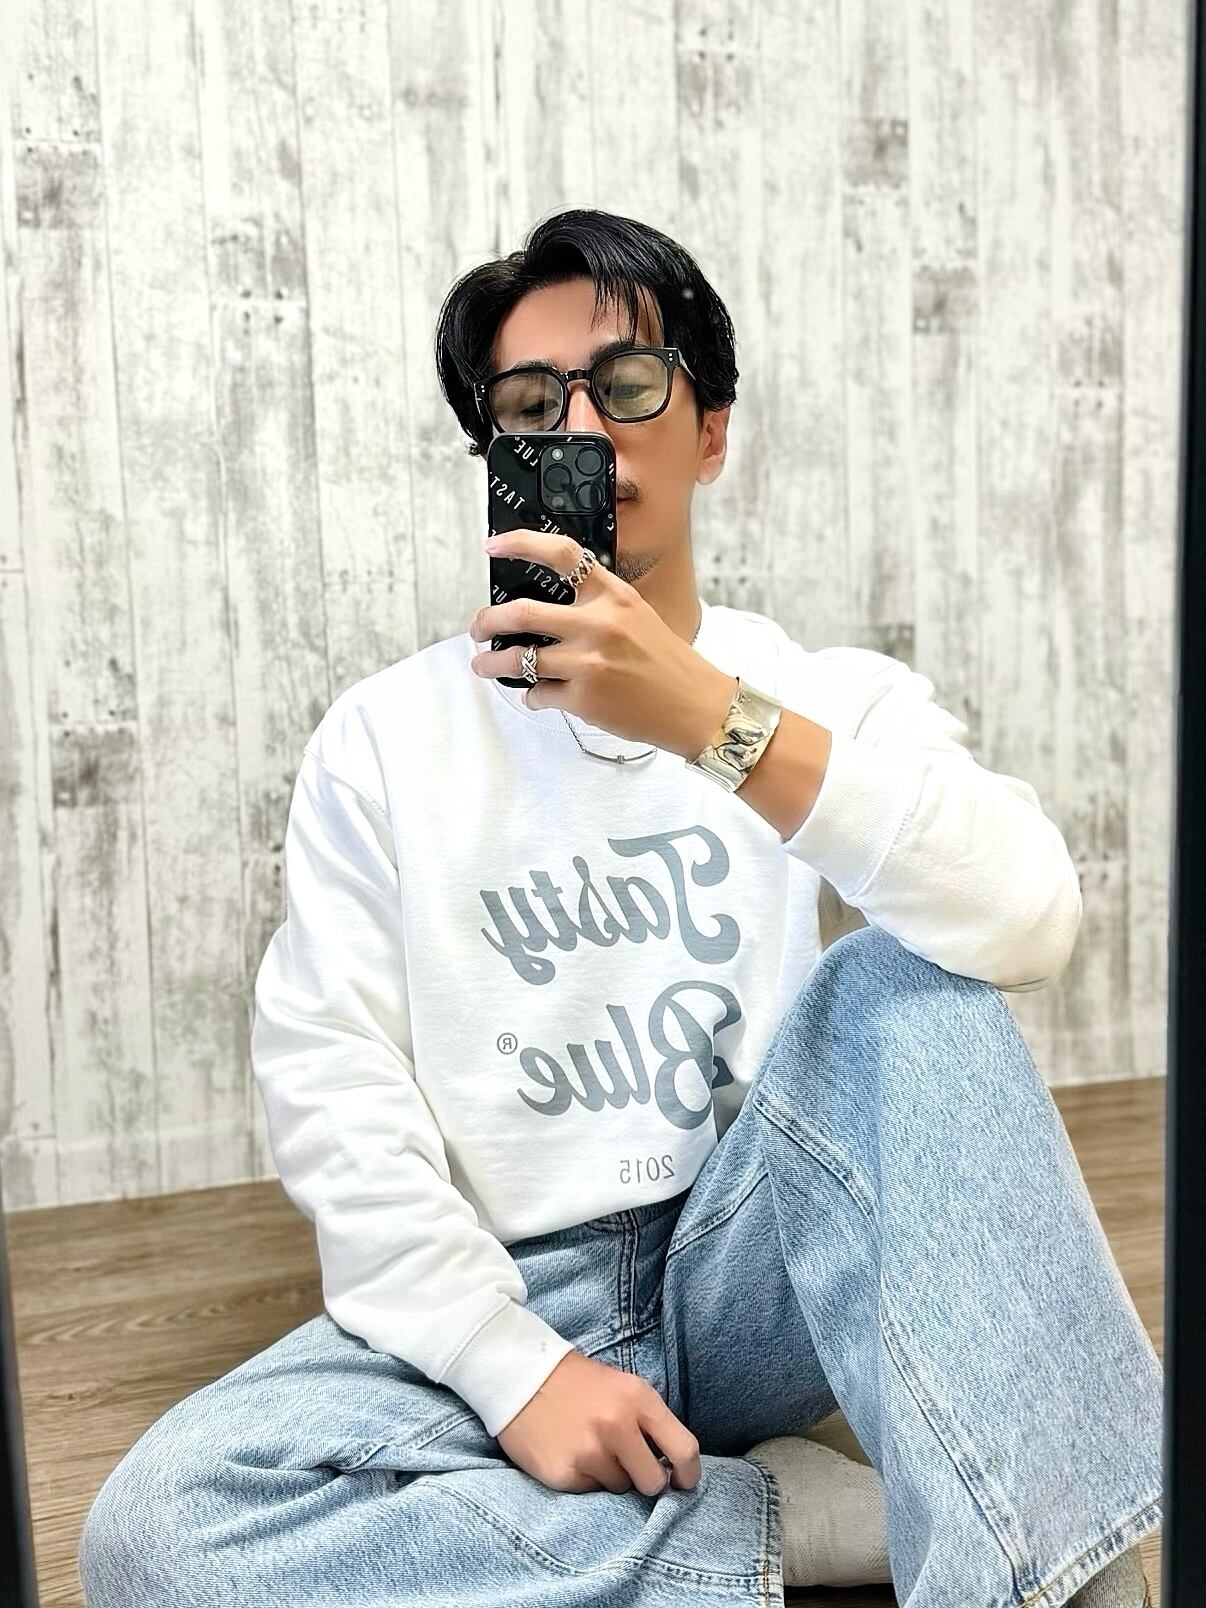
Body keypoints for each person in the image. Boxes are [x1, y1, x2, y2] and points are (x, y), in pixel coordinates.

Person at [77, 208, 1161, 1608]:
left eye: (627, 383)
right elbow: (334, 1081)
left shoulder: (819, 697)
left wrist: (705, 718)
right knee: (164, 1533)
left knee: (905, 986)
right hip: (512, 1281)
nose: (582, 427)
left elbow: (1026, 918)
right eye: (535, 404)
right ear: (496, 455)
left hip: (757, 1258)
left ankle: (1039, 1569)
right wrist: (514, 1371)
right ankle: (813, 1524)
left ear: (710, 432)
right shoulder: (385, 739)